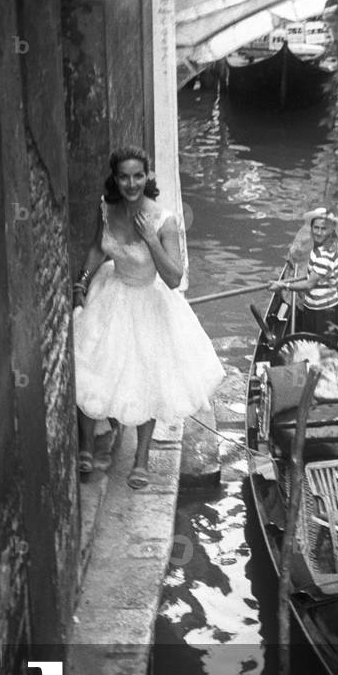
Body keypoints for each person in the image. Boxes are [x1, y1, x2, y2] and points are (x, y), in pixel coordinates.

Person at [72, 145, 224, 489]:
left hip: (148, 300)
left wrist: (151, 241)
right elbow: (98, 247)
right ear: (115, 178)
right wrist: (82, 281)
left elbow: (173, 278)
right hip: (111, 292)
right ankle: (86, 447)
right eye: (124, 177)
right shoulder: (107, 207)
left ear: (147, 177)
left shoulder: (164, 220)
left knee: (146, 377)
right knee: (90, 364)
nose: (131, 184)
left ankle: (141, 459)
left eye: (138, 176)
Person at [268, 209, 338, 344]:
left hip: (325, 312)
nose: (318, 232)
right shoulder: (326, 246)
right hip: (312, 307)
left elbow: (309, 285)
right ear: (311, 228)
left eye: (323, 229)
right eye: (316, 228)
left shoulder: (325, 254)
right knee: (310, 345)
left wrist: (283, 285)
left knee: (323, 349)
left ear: (330, 230)